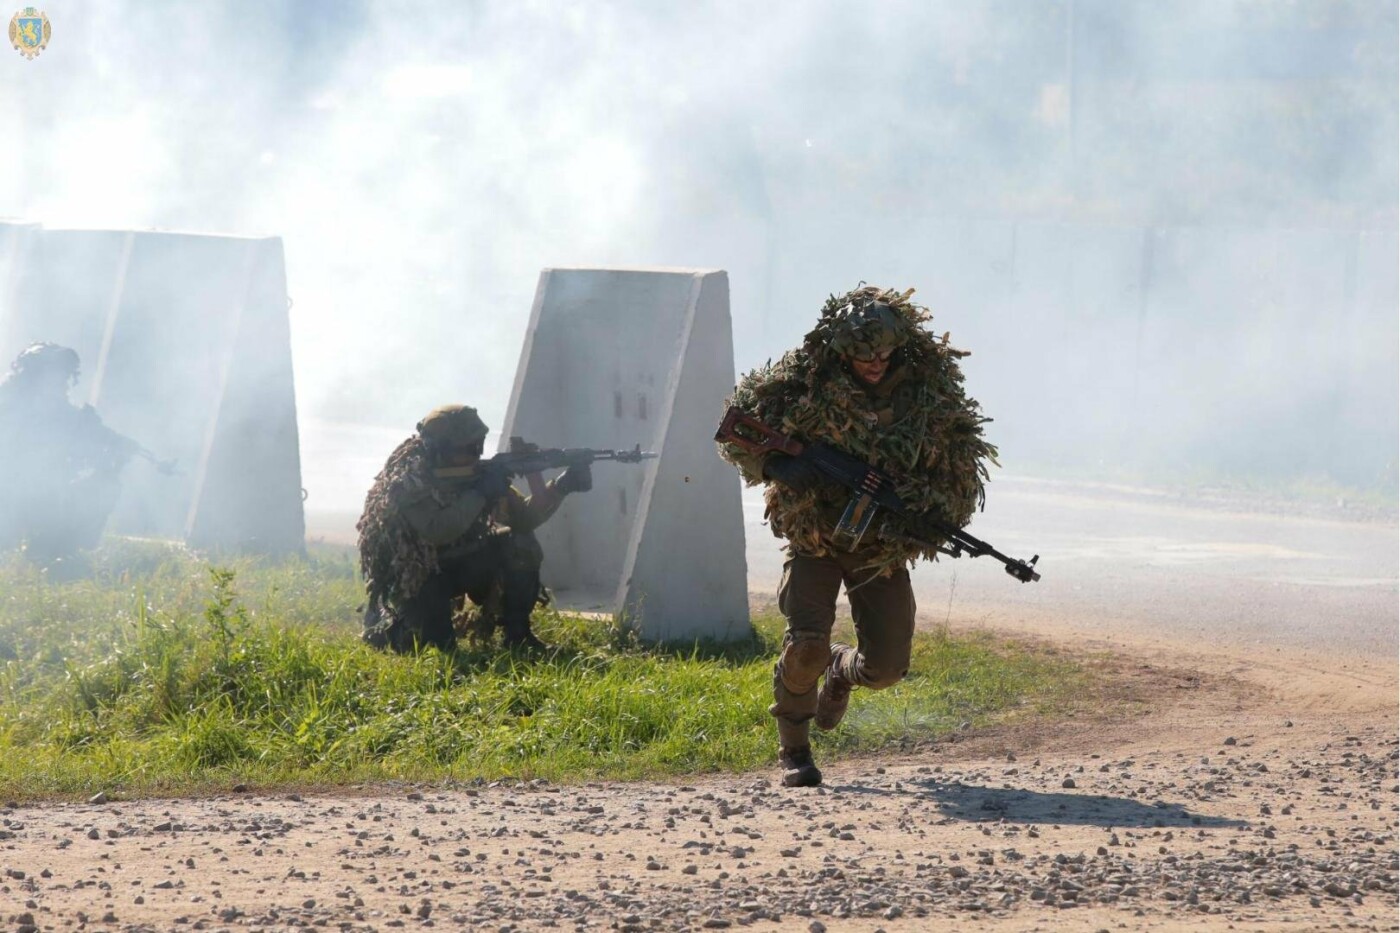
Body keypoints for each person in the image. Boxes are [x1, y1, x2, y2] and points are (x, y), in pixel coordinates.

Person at [717, 285, 997, 787]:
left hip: (878, 547)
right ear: (842, 351)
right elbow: (737, 430)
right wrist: (778, 463)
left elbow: (960, 464)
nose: (875, 363)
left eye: (884, 354)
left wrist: (923, 510)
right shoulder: (803, 383)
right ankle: (795, 751)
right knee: (806, 648)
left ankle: (841, 672)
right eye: (864, 355)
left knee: (887, 668)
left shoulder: (925, 396)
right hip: (815, 541)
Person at [356, 403, 592, 653]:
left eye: (479, 446)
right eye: (467, 448)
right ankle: (387, 623)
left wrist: (562, 486)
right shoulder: (408, 483)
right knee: (428, 647)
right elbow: (439, 530)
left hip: (459, 563)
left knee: (519, 544)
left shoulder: (475, 475)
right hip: (415, 580)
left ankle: (518, 636)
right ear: (439, 450)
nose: (476, 455)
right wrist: (480, 493)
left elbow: (523, 519)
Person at [0, 342, 141, 565]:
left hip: (43, 502)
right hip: (9, 500)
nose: (62, 383)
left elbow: (98, 441)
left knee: (105, 485)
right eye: (54, 375)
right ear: (34, 377)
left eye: (64, 376)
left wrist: (113, 453)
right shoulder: (7, 408)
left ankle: (56, 548)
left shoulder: (71, 417)